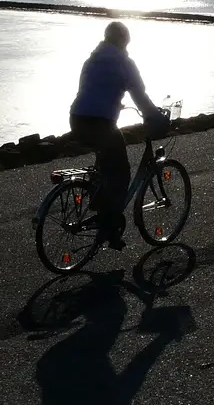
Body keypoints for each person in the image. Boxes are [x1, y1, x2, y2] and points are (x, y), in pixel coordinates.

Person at [69, 21, 165, 250]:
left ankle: (99, 201)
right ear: (124, 41)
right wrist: (156, 117)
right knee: (121, 172)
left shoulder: (91, 59)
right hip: (101, 123)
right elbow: (140, 96)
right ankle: (109, 226)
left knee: (106, 167)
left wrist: (114, 102)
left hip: (77, 118)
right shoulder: (124, 63)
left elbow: (91, 90)